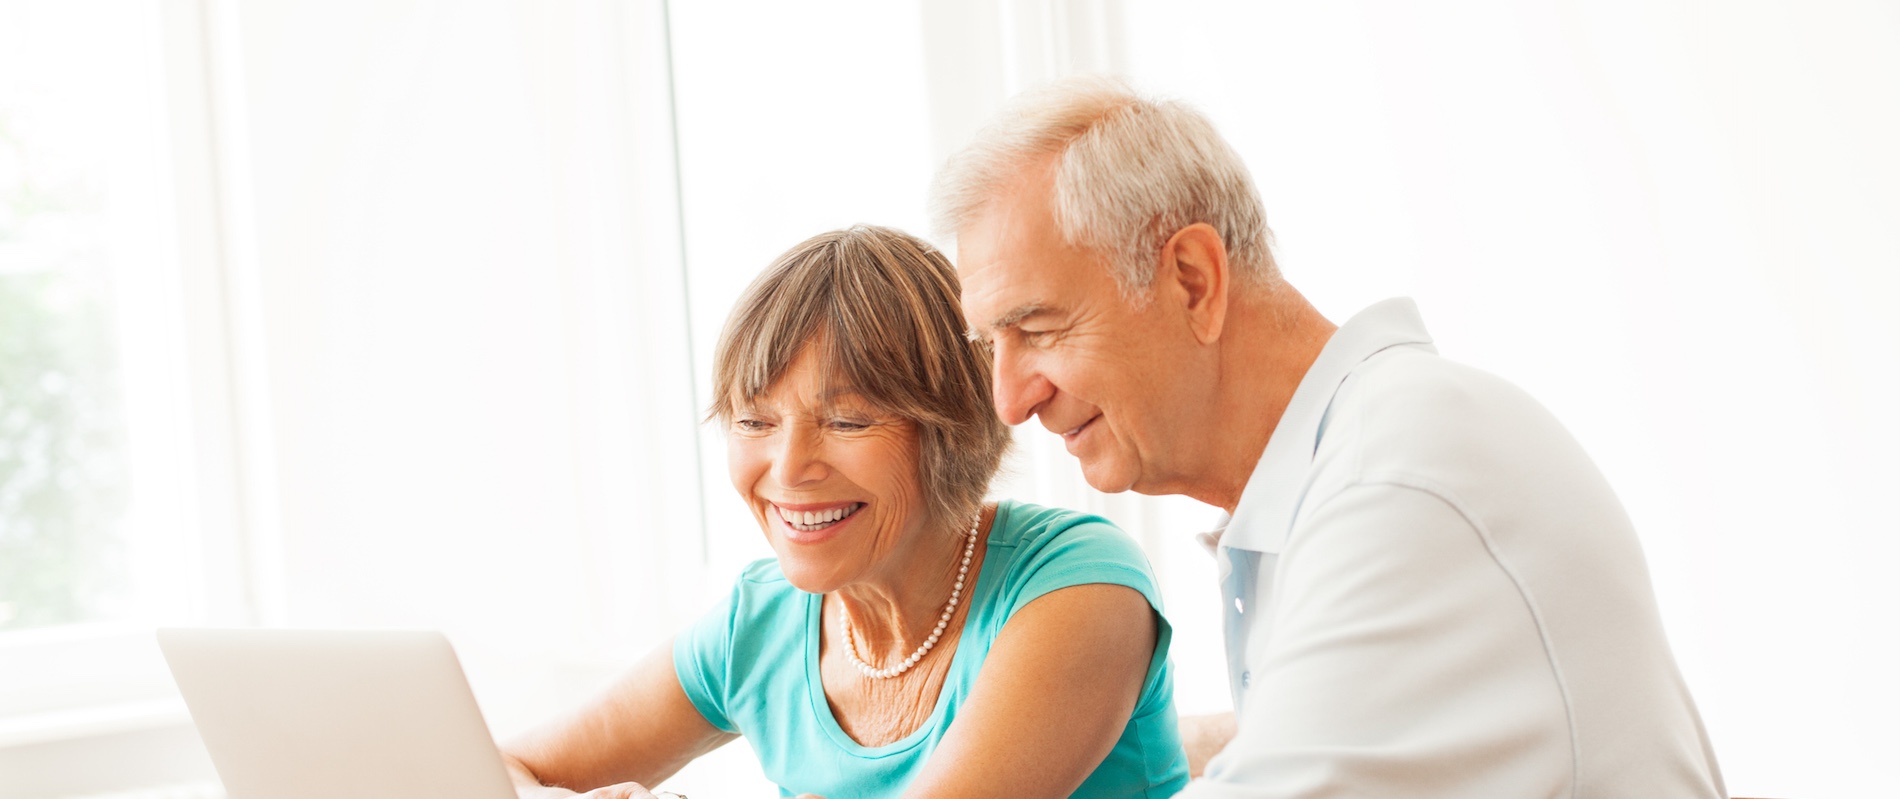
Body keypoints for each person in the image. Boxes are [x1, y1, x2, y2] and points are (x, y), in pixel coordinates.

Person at [930, 75, 1727, 798]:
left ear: (1192, 281)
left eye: (1037, 327)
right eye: (991, 344)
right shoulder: (1351, 467)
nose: (1009, 399)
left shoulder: (1403, 476)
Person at [501, 225, 1191, 799]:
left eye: (848, 420)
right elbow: (505, 770)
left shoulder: (1081, 586)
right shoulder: (761, 622)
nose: (790, 467)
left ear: (954, 429)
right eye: (753, 420)